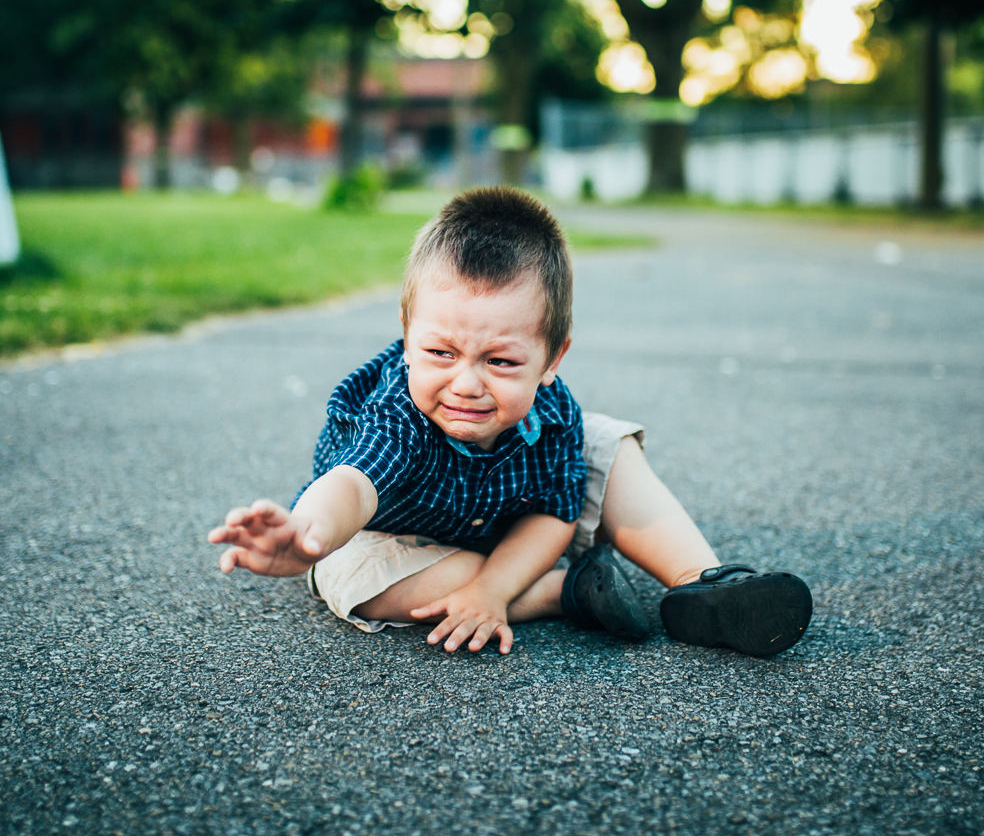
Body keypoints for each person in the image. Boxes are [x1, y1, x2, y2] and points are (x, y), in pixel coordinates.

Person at [208, 188, 811, 657]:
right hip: (401, 539)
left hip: (510, 525)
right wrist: (307, 534)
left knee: (607, 445)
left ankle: (703, 582)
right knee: (350, 574)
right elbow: (352, 485)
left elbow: (555, 511)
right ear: (407, 332)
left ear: (552, 360)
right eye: (441, 353)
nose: (466, 383)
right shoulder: (396, 415)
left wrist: (496, 589)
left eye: (499, 361)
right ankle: (563, 592)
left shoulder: (552, 413)